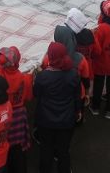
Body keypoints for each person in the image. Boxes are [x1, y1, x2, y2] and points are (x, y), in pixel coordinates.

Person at [34, 42, 80, 173]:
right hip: (66, 120)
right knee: (63, 150)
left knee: (45, 149)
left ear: (51, 55)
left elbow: (36, 93)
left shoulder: (43, 76)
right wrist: (78, 111)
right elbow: (77, 96)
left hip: (45, 120)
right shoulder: (73, 74)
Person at [0, 47, 32, 172]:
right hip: (19, 116)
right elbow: (29, 97)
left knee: (3, 147)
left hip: (3, 115)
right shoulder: (25, 78)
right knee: (18, 150)